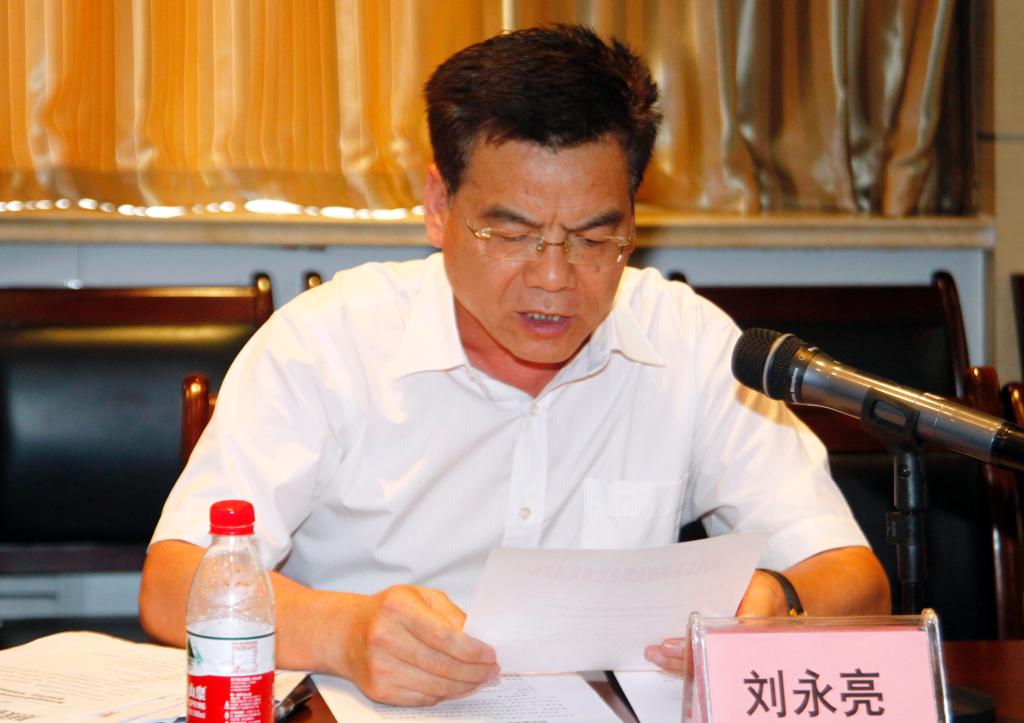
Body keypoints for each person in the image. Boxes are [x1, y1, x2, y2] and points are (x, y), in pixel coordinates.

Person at [140, 24, 889, 707]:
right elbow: (174, 583)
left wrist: (778, 600)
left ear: (634, 218)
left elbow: (856, 578)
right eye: (512, 234)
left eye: (593, 238)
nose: (554, 279)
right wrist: (343, 631)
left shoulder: (686, 341)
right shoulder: (326, 342)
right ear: (439, 206)